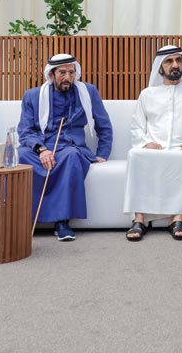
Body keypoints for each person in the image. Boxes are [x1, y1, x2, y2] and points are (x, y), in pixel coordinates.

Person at [123, 45, 182, 241]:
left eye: (179, 60)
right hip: (155, 148)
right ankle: (139, 219)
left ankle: (177, 219)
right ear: (160, 67)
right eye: (169, 61)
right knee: (135, 155)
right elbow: (136, 127)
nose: (175, 65)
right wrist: (146, 142)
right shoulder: (147, 94)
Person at [17, 53, 113, 241]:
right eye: (62, 72)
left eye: (71, 72)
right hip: (40, 147)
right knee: (21, 156)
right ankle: (25, 220)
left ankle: (62, 222)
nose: (68, 77)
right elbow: (25, 131)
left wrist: (103, 153)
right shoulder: (33, 96)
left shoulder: (88, 92)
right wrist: (41, 150)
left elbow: (104, 125)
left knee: (70, 157)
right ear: (51, 74)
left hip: (71, 146)